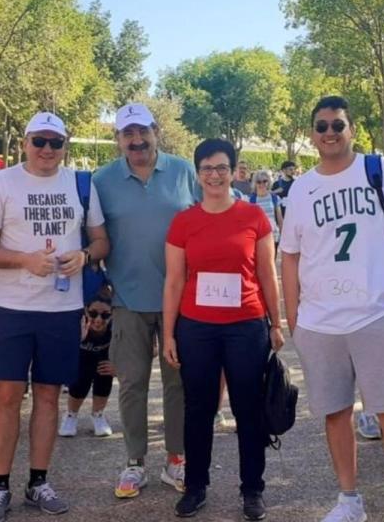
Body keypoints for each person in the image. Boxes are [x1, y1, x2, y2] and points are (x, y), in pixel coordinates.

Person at [281, 95, 384, 522]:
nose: (330, 133)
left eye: (337, 125)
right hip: (320, 320)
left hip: (375, 312)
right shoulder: (302, 186)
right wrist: (295, 317)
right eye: (322, 126)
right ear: (312, 134)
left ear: (352, 129)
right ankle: (349, 499)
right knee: (335, 413)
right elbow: (289, 254)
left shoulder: (379, 170)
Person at [0, 112, 109, 521]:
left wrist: (84, 255)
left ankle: (38, 481)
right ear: (25, 142)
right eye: (40, 141)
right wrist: (22, 261)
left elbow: (102, 240)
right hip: (11, 307)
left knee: (49, 396)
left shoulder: (81, 183)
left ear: (66, 145)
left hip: (61, 310)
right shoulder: (3, 182)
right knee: (8, 396)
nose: (47, 149)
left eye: (56, 142)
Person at [161, 138, 284, 520]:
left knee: (248, 408)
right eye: (207, 168)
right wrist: (168, 333)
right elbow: (174, 281)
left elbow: (267, 272)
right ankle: (195, 486)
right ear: (197, 174)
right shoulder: (184, 221)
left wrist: (276, 323)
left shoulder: (253, 217)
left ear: (234, 171)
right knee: (199, 408)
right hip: (197, 327)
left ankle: (253, 489)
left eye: (221, 168)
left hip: (245, 325)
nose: (214, 175)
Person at [92, 102, 196, 499]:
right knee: (132, 383)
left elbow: (208, 219)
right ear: (118, 139)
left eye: (142, 131)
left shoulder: (185, 171)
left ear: (156, 131)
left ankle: (176, 459)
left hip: (180, 299)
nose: (137, 140)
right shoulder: (102, 180)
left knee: (178, 384)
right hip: (127, 299)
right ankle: (135, 462)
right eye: (127, 134)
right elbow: (94, 235)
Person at [58, 293, 116, 438]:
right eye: (93, 313)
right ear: (86, 311)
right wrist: (77, 338)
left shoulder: (117, 327)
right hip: (81, 358)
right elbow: (62, 349)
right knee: (81, 377)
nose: (98, 320)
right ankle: (71, 415)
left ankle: (98, 415)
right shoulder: (77, 322)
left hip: (104, 358)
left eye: (105, 315)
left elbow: (129, 349)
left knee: (105, 371)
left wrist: (118, 367)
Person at [248, 170, 283, 251]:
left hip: (274, 235)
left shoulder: (275, 198)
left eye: (264, 181)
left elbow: (280, 219)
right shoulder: (251, 200)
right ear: (255, 184)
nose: (262, 184)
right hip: (258, 237)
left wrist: (283, 235)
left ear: (268, 182)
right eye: (259, 182)